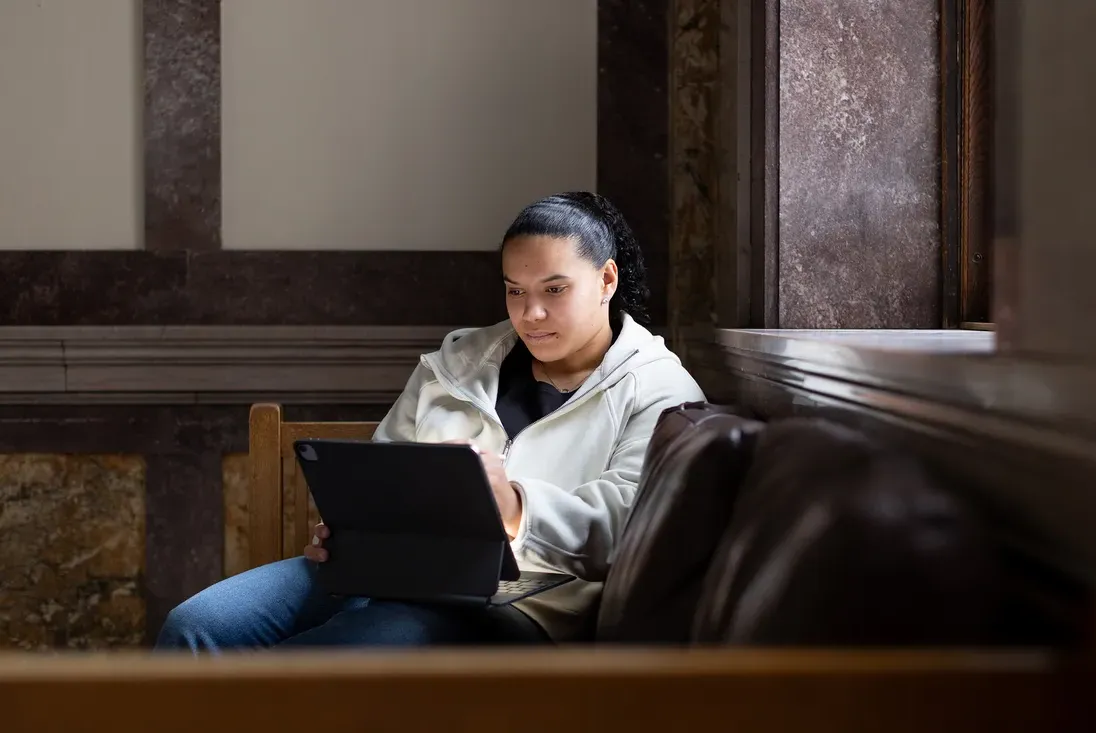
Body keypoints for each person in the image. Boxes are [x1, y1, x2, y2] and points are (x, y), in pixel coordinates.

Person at [155, 191, 706, 652]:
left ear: (606, 280)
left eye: (554, 290)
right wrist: (352, 529)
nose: (529, 314)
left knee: (331, 656)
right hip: (388, 572)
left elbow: (631, 531)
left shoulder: (659, 390)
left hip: (518, 606)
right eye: (515, 290)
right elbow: (385, 460)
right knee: (194, 628)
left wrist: (515, 507)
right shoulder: (462, 360)